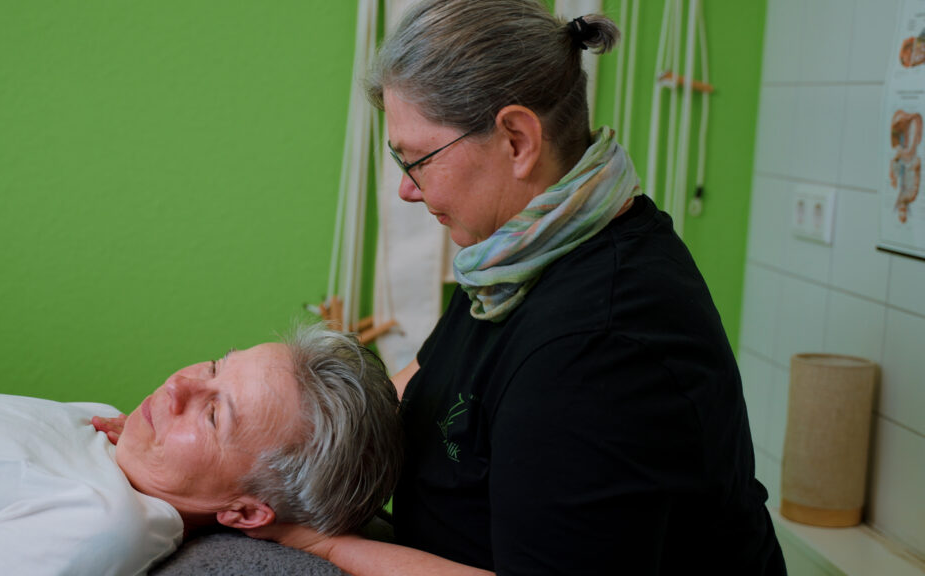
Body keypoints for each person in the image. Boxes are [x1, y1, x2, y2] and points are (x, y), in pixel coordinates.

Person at [245, 1, 787, 575]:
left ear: (518, 140)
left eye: (417, 161)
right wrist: (252, 458)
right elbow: (419, 382)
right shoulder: (514, 256)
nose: (407, 190)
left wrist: (323, 544)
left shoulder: (598, 344)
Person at [0, 324, 402, 576]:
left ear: (245, 512)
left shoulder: (102, 522)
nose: (177, 386)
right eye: (214, 366)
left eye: (213, 415)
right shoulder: (112, 434)